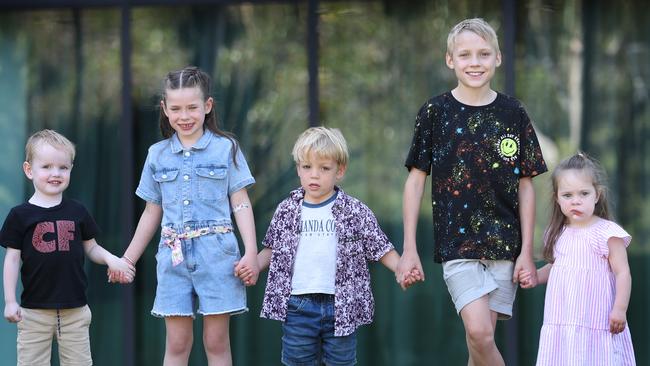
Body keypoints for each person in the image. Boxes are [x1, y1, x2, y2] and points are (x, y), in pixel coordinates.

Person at [396, 18, 547, 365]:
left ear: (498, 58)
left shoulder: (513, 112)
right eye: (465, 55)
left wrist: (526, 251)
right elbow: (416, 180)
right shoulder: (435, 112)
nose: (474, 62)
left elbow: (526, 184)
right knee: (479, 333)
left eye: (483, 54)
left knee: (479, 346)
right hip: (457, 246)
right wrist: (408, 249)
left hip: (505, 247)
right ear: (450, 60)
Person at [235, 127, 420, 366]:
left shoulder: (354, 210)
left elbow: (379, 246)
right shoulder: (287, 210)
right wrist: (254, 265)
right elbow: (272, 249)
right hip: (298, 305)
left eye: (324, 168)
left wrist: (402, 268)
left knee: (341, 362)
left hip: (341, 305)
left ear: (339, 171)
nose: (314, 175)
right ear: (298, 169)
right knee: (297, 361)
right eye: (307, 167)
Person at [113, 66, 259, 366]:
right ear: (165, 110)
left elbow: (241, 202)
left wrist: (252, 252)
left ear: (207, 106)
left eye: (192, 107)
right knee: (177, 343)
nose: (185, 116)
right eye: (176, 108)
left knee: (216, 342)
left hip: (218, 254)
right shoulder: (157, 155)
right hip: (173, 256)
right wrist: (127, 259)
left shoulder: (226, 148)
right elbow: (152, 212)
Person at [1, 129, 134, 366]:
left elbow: (91, 248)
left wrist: (112, 259)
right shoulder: (19, 216)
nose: (56, 173)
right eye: (47, 167)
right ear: (29, 170)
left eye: (63, 167)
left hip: (75, 311)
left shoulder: (78, 211)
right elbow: (12, 259)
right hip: (34, 312)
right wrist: (10, 300)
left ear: (70, 169)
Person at [519, 153, 636, 365]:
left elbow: (623, 273)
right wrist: (536, 276)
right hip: (562, 321)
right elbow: (557, 267)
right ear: (557, 198)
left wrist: (619, 309)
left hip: (597, 322)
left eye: (584, 193)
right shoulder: (556, 233)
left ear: (597, 195)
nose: (576, 201)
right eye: (567, 195)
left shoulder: (608, 233)